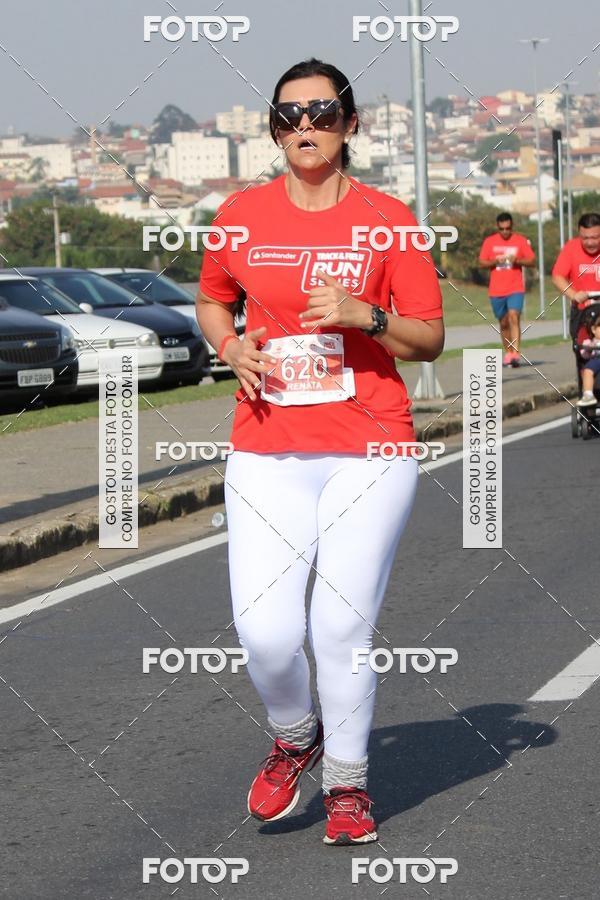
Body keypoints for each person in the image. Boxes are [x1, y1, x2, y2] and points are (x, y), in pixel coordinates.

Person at [196, 58, 444, 846]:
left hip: (370, 448)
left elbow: (429, 338)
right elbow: (211, 299)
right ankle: (296, 733)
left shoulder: (389, 220)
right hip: (266, 448)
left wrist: (363, 315)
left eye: (323, 112)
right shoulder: (239, 215)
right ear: (274, 129)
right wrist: (229, 346)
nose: (305, 126)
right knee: (265, 634)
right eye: (289, 115)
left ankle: (347, 784)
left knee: (338, 629)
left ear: (350, 122)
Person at [478, 212, 536, 367]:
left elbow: (532, 261)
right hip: (496, 290)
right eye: (502, 229)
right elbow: (481, 263)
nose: (505, 231)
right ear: (497, 227)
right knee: (503, 323)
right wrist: (495, 261)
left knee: (514, 316)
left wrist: (517, 260)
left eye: (508, 228)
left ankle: (516, 353)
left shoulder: (520, 241)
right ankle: (509, 352)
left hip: (515, 288)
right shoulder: (489, 242)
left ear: (512, 226)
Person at [575, 317, 600, 407]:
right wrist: (589, 348)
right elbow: (584, 354)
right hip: (596, 360)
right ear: (594, 329)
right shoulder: (590, 342)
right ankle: (588, 395)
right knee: (587, 371)